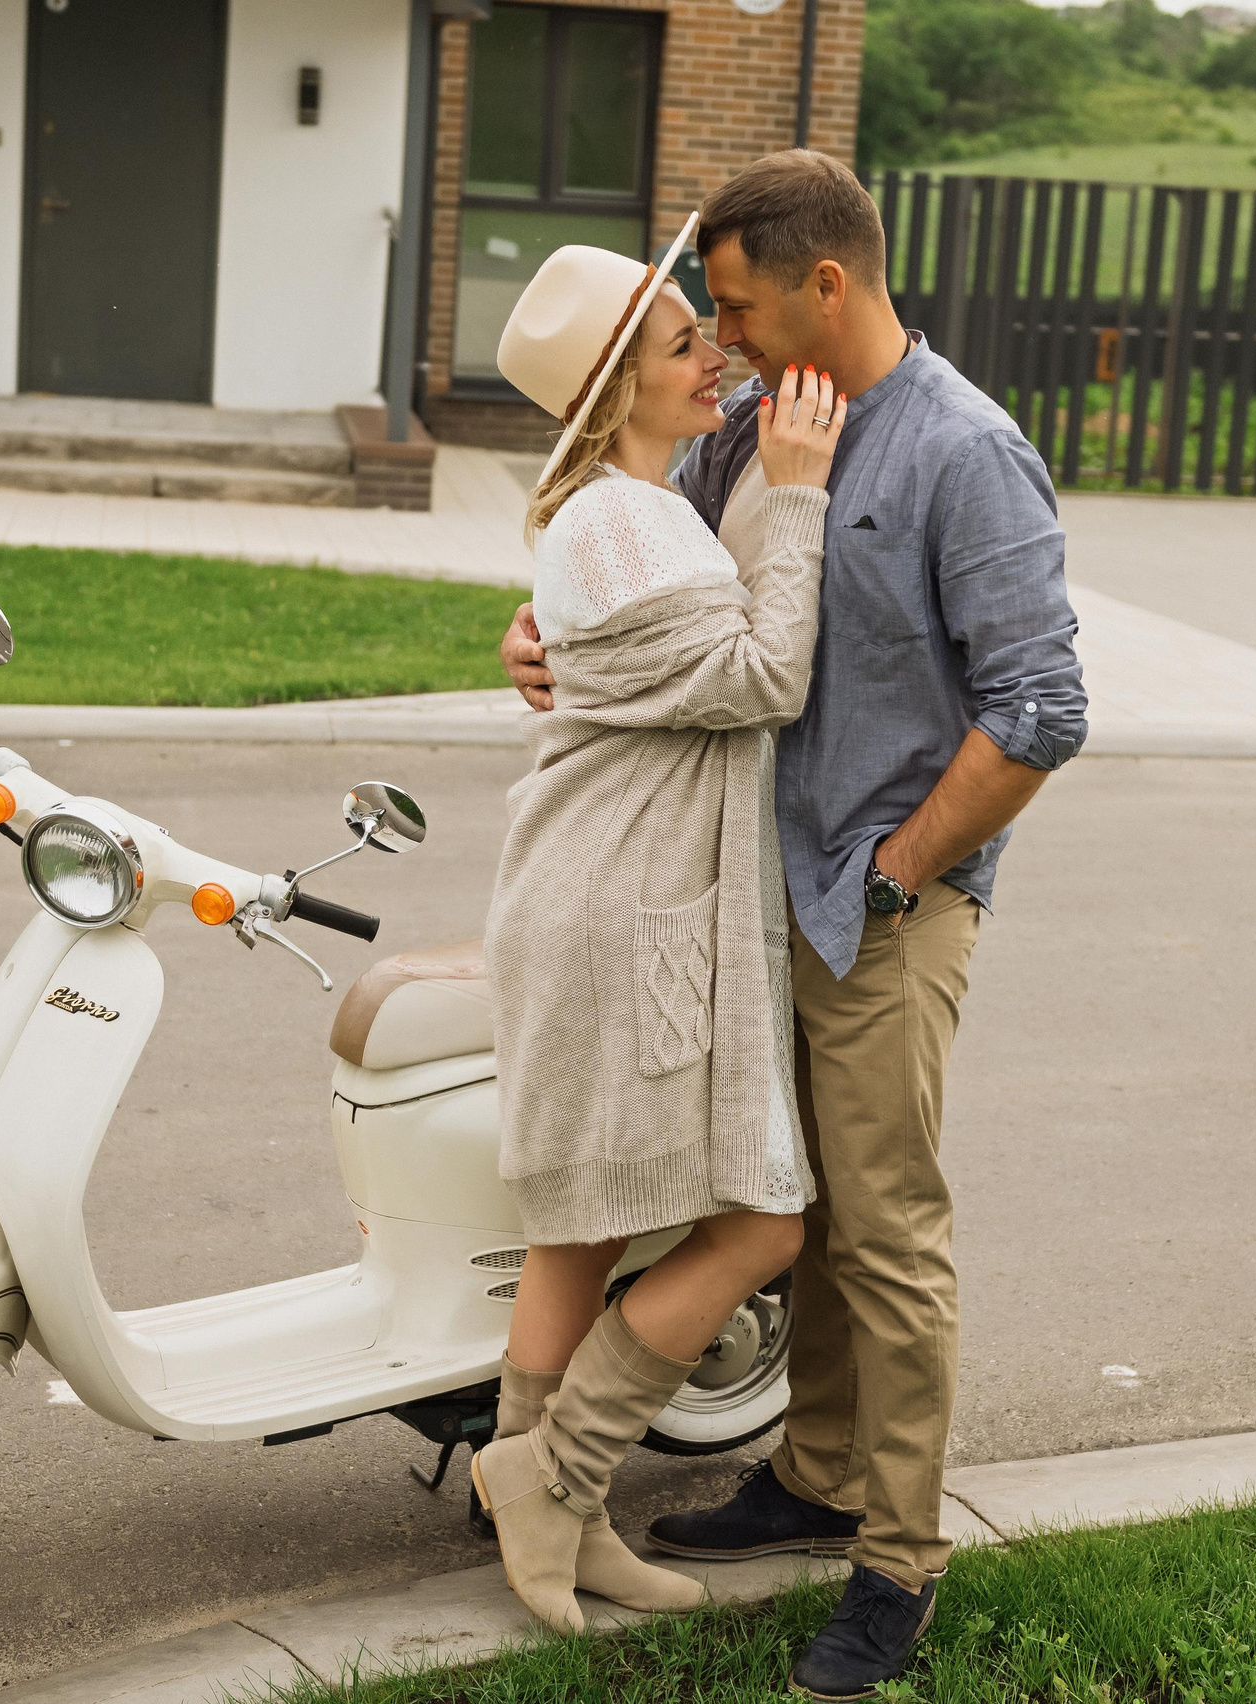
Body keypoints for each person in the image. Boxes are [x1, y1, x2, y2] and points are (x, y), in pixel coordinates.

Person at [499, 151, 1088, 1702]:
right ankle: (817, 1474)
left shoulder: (967, 450)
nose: (730, 340)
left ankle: (898, 1562)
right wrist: (546, 634)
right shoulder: (747, 430)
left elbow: (1041, 707)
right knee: (797, 1209)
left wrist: (903, 867)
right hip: (743, 899)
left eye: (742, 308)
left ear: (827, 283)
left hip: (885, 903)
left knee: (884, 1234)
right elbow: (657, 580)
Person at [470, 222, 850, 1640]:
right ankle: (552, 1477)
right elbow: (762, 675)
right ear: (615, 383)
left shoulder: (632, 508)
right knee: (762, 1222)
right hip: (616, 905)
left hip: (607, 889)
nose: (716, 359)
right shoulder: (619, 521)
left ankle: (553, 1520)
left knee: (586, 1225)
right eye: (686, 343)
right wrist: (798, 498)